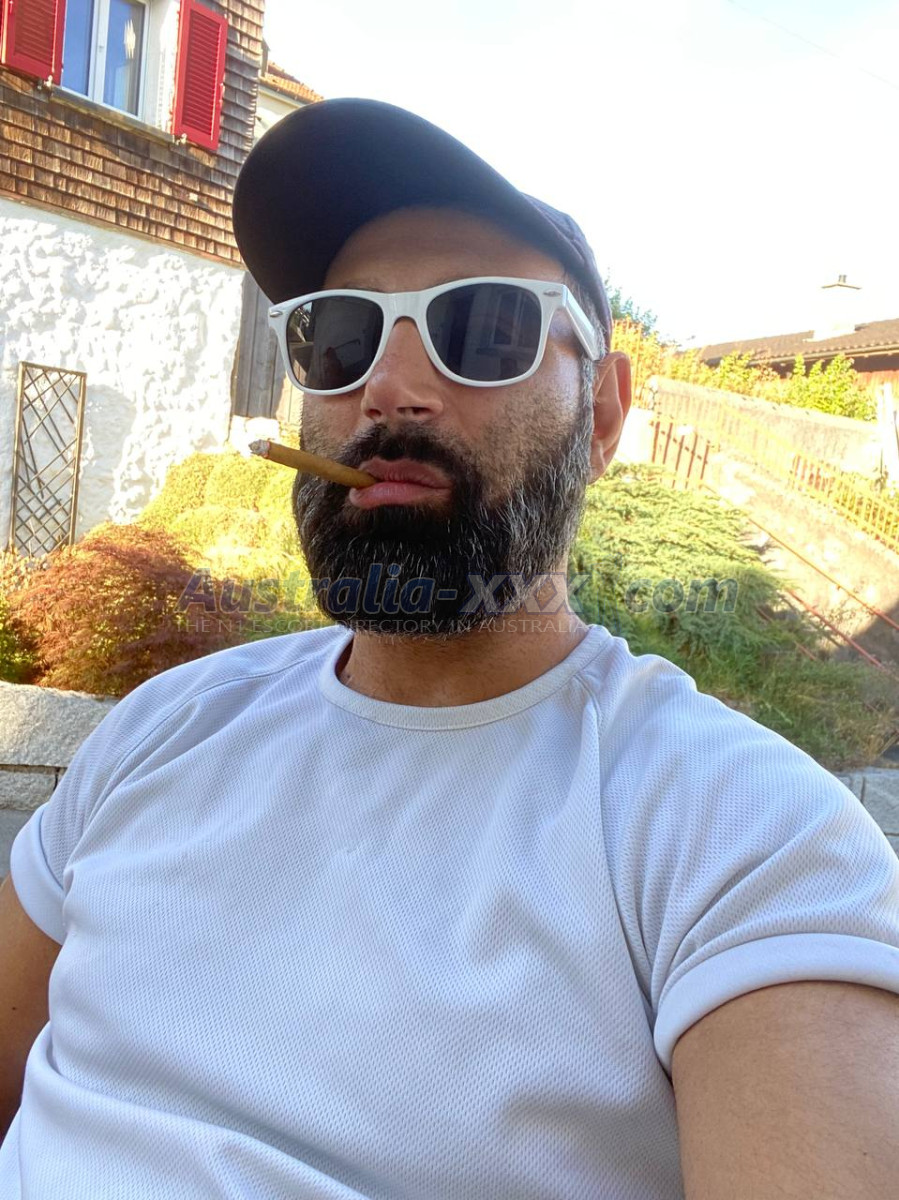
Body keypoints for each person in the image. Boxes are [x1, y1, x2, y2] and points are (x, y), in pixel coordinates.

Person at [1, 99, 898, 1200]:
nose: (387, 389)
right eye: (340, 337)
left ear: (602, 415)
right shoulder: (166, 725)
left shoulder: (738, 833)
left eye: (481, 329)